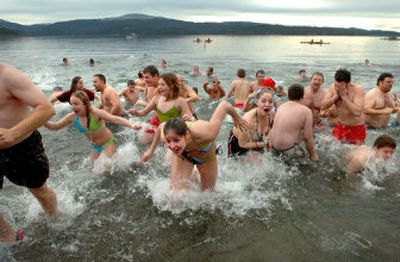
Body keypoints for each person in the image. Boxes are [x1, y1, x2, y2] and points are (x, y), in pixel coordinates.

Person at [0, 64, 57, 245]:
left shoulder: (9, 76)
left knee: (38, 190)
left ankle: (54, 219)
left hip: (21, 145)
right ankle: (10, 237)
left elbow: (47, 109)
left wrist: (12, 133)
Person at [139, 100, 247, 191]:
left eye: (176, 140)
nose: (172, 146)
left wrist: (236, 117)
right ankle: (191, 170)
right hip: (184, 156)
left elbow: (224, 105)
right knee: (176, 197)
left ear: (186, 135)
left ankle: (194, 172)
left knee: (208, 193)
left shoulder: (206, 133)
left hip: (206, 157)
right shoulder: (167, 134)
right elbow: (160, 127)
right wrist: (151, 151)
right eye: (169, 141)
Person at [45, 91, 139, 162]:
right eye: (71, 104)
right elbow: (55, 126)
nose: (73, 107)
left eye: (76, 104)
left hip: (108, 142)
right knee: (96, 172)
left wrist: (132, 125)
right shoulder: (72, 117)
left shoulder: (95, 113)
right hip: (95, 147)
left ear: (85, 104)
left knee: (105, 170)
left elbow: (116, 119)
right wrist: (41, 121)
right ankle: (119, 157)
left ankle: (123, 158)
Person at [129, 73, 193, 141]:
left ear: (172, 86)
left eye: (162, 84)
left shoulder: (180, 101)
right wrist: (136, 113)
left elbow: (191, 120)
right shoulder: (157, 98)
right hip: (162, 127)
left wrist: (188, 118)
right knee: (143, 141)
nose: (159, 87)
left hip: (175, 131)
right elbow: (144, 112)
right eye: (159, 84)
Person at [268, 83, 318, 162]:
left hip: (272, 146)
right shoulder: (306, 111)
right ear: (302, 97)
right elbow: (307, 137)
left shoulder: (281, 106)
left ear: (288, 96)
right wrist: (313, 154)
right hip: (288, 149)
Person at [321, 68, 366, 145]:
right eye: (337, 85)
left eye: (341, 87)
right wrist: (335, 97)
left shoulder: (358, 89)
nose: (338, 88)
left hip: (356, 128)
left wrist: (344, 97)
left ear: (348, 84)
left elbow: (357, 112)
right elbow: (322, 106)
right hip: (340, 126)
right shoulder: (333, 87)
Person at [228, 89, 274, 161]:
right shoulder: (248, 120)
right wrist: (261, 144)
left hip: (256, 140)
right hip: (238, 143)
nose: (267, 104)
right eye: (263, 101)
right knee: (235, 165)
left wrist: (268, 139)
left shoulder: (271, 115)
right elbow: (242, 144)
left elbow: (271, 129)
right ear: (257, 102)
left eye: (270, 101)